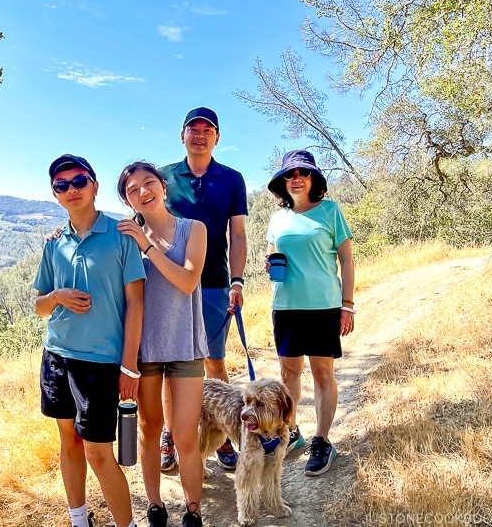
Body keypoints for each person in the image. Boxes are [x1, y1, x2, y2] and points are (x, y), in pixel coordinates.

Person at [33, 154, 145, 527]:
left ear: (95, 185)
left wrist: (129, 366)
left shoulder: (121, 235)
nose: (71, 189)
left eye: (78, 181)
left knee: (100, 453)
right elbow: (38, 306)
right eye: (61, 185)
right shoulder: (54, 244)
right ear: (55, 195)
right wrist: (57, 297)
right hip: (56, 357)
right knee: (69, 443)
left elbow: (136, 303)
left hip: (100, 362)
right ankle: (79, 520)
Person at [116, 162, 207, 527]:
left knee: (185, 434)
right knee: (150, 430)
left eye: (149, 183)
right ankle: (154, 505)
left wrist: (147, 246)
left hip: (185, 344)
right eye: (133, 189)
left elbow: (186, 281)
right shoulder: (125, 238)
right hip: (145, 350)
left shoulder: (193, 229)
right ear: (128, 200)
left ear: (164, 188)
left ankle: (193, 510)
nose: (143, 192)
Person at [159, 107, 248, 471]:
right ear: (182, 135)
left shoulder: (231, 178)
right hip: (167, 285)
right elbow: (139, 221)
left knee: (213, 361)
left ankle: (223, 432)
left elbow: (238, 234)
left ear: (217, 137)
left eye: (207, 129)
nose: (199, 134)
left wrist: (237, 280)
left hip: (213, 285)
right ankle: (170, 434)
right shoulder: (163, 177)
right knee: (169, 365)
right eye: (192, 128)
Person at [264, 149, 355, 477]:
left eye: (303, 172)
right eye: (290, 174)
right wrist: (268, 263)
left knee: (322, 373)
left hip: (323, 306)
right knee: (288, 374)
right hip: (286, 306)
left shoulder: (330, 211)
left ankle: (322, 440)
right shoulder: (278, 219)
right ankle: (291, 433)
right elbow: (272, 254)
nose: (297, 178)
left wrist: (347, 304)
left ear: (314, 178)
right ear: (283, 182)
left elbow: (346, 259)